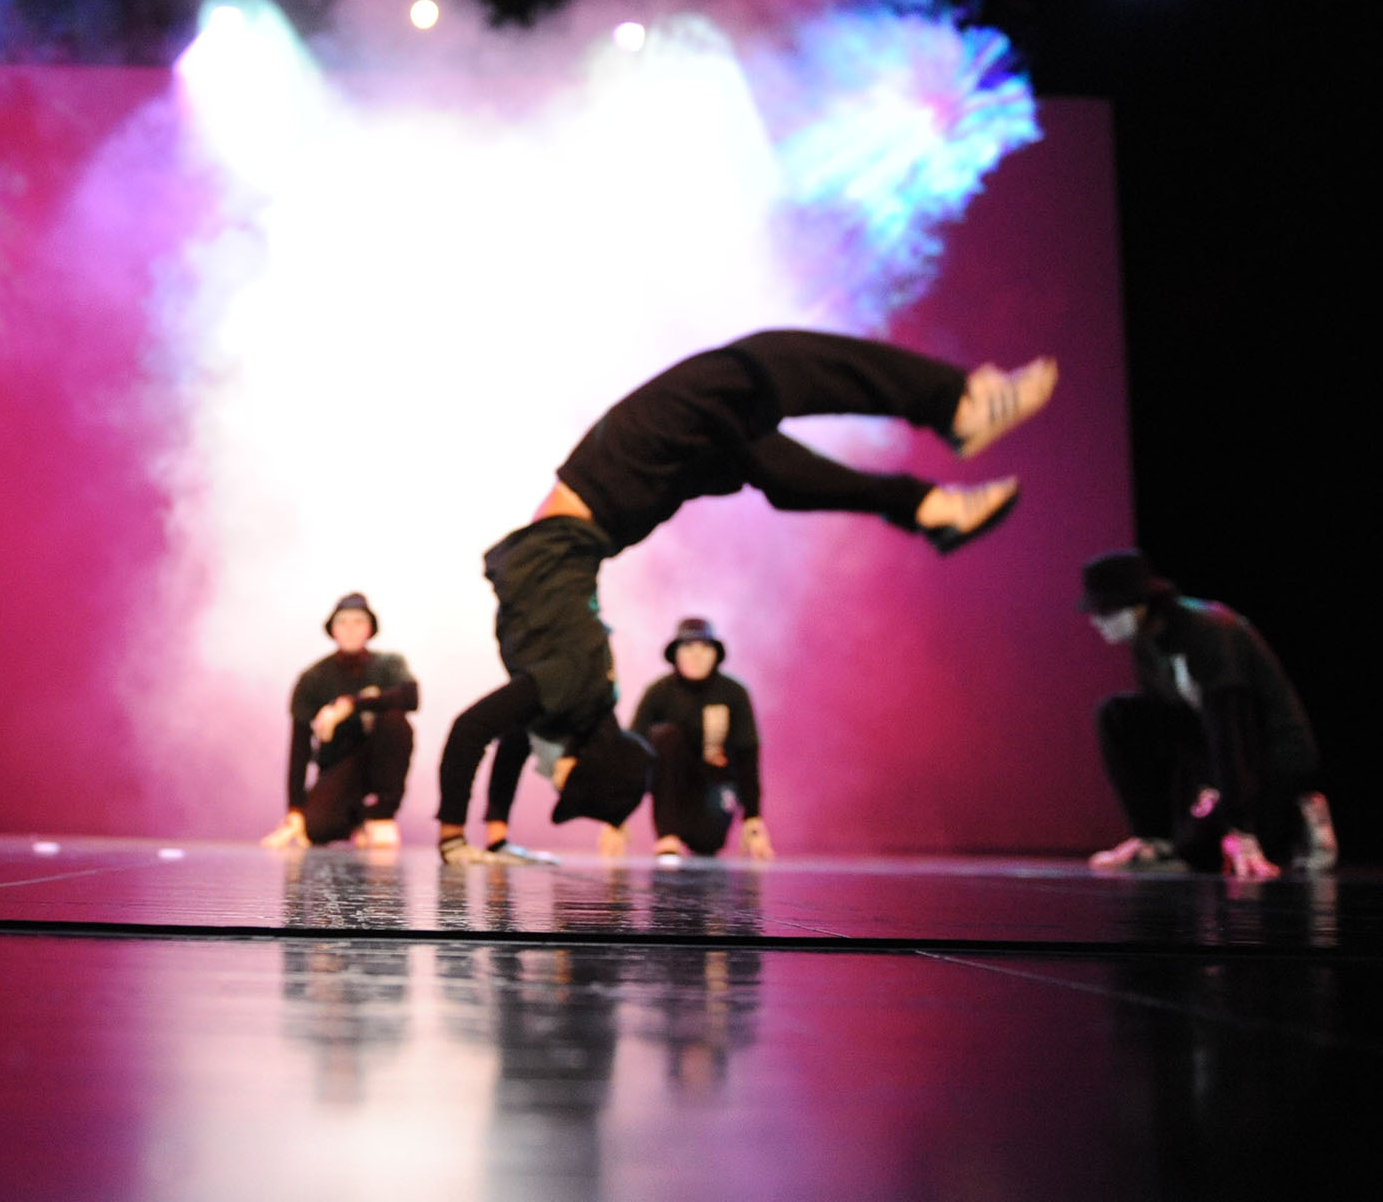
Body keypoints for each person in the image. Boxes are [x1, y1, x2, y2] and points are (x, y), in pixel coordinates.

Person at [434, 328, 1055, 867]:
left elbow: (497, 737)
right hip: (610, 493)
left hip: (610, 506)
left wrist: (487, 836)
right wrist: (457, 837)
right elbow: (483, 733)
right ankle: (953, 413)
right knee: (757, 372)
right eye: (562, 783)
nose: (549, 779)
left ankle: (927, 500)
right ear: (577, 763)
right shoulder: (571, 693)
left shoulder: (561, 703)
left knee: (757, 437)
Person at [1079, 549, 1337, 878]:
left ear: (1139, 604)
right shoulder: (1146, 642)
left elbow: (1231, 728)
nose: (1097, 621)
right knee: (1117, 714)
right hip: (1214, 753)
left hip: (1267, 754)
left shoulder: (1209, 631)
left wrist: (1240, 827)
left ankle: (1297, 814)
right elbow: (1179, 728)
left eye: (1105, 610)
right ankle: (1154, 838)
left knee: (1206, 851)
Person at [262, 593, 420, 850]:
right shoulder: (313, 678)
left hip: (380, 761)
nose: (350, 629)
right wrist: (295, 809)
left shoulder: (388, 664)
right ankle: (358, 820)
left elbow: (411, 697)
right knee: (314, 828)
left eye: (358, 622)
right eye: (343, 622)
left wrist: (351, 705)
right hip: (339, 766)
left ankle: (381, 814)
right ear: (332, 629)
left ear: (370, 628)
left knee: (395, 720)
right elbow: (299, 748)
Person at [628, 617, 770, 862]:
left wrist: (753, 817)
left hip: (715, 783)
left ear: (716, 653)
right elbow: (631, 753)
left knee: (707, 842)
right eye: (688, 646)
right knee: (664, 736)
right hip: (671, 789)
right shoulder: (659, 692)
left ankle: (698, 833)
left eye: (704, 647)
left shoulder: (733, 693)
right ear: (676, 653)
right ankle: (668, 835)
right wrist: (617, 816)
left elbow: (747, 756)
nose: (696, 654)